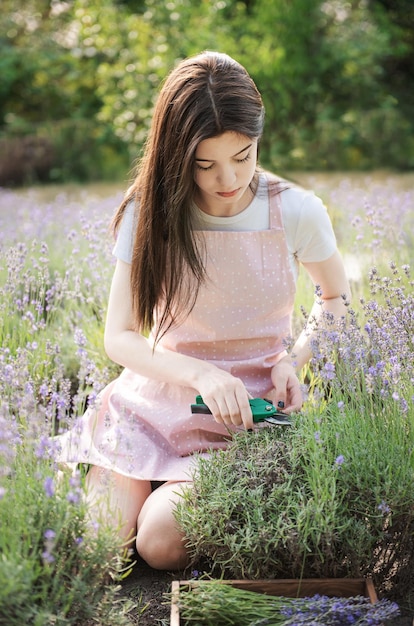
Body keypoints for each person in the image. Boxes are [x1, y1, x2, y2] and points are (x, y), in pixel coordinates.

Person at [56, 51, 350, 570]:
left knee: (160, 545)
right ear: (176, 155)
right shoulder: (148, 209)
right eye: (205, 164)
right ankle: (123, 470)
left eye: (244, 155)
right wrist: (199, 373)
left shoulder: (296, 209)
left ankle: (156, 490)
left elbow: (335, 298)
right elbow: (119, 336)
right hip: (153, 403)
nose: (228, 179)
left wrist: (293, 359)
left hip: (245, 417)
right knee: (103, 551)